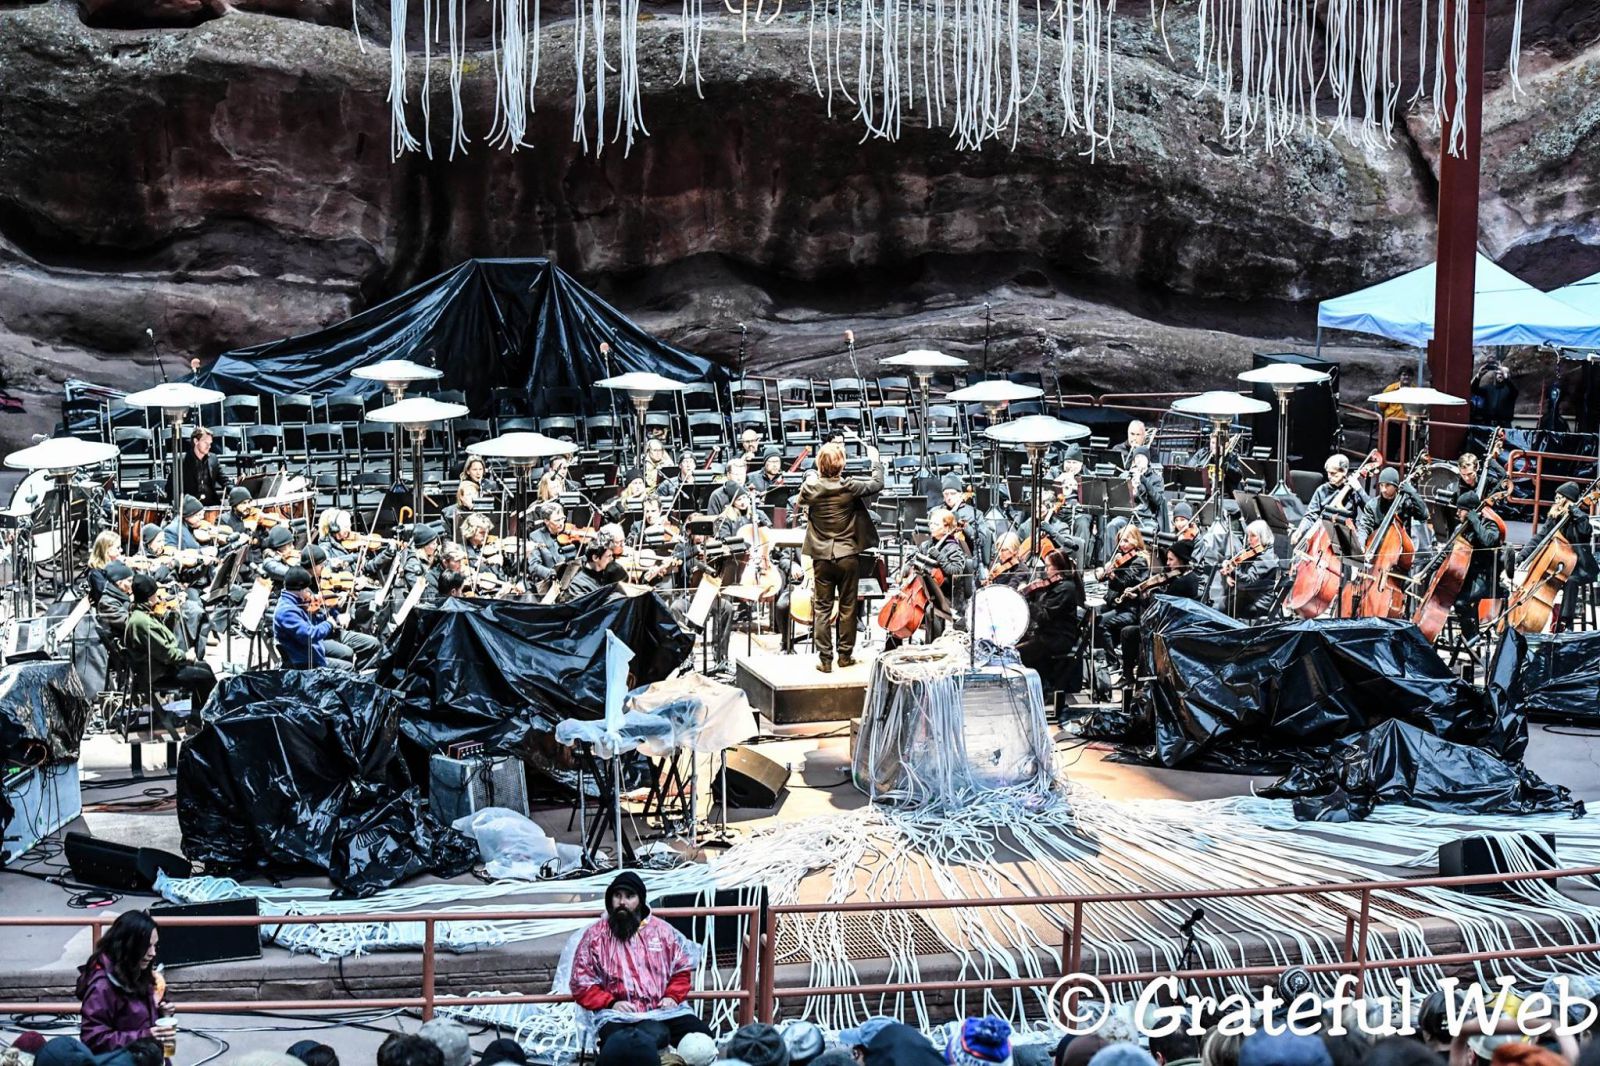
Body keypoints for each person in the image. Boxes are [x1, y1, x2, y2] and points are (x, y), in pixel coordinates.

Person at [568, 872, 712, 1052]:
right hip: (616, 1015)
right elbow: (581, 984)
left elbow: (681, 971)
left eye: (629, 896)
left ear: (640, 901)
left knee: (702, 1039)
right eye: (617, 896)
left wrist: (672, 996)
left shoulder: (663, 932)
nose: (622, 902)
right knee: (620, 1050)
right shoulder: (595, 937)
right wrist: (611, 1003)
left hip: (663, 1010)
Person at [798, 439, 884, 673]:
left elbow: (801, 499)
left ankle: (825, 660)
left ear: (819, 465)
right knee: (848, 607)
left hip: (822, 558)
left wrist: (812, 477)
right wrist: (875, 460)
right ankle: (844, 656)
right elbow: (878, 483)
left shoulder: (811, 488)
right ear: (842, 465)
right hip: (847, 556)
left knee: (822, 608)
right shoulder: (849, 486)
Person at [75, 911, 171, 1054]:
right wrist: (145, 1036)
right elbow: (93, 1039)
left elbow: (138, 1019)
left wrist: (162, 1013)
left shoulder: (138, 969)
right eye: (147, 946)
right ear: (129, 945)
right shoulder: (101, 987)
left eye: (154, 946)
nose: (152, 953)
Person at [123, 574, 216, 707]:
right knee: (205, 678)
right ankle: (199, 720)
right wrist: (186, 656)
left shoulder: (141, 612)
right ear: (149, 597)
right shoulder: (142, 622)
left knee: (205, 667)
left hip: (160, 666)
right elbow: (166, 654)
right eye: (156, 594)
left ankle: (199, 717)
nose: (159, 597)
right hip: (158, 673)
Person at [1516, 481, 1595, 632]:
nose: (1556, 501)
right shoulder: (1555, 517)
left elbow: (1586, 531)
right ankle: (1532, 619)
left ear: (1567, 500)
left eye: (1559, 498)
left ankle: (1564, 623)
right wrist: (1523, 555)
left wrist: (1576, 512)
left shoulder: (1580, 518)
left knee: (1571, 581)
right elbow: (1540, 537)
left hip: (1580, 567)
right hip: (1560, 566)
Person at [1017, 549, 1085, 700]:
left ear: (1058, 568)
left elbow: (1044, 616)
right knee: (1019, 644)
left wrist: (1028, 602)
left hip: (1058, 638)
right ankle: (1039, 686)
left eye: (1048, 566)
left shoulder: (1065, 588)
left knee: (1020, 652)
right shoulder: (1057, 586)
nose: (1045, 570)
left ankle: (1040, 689)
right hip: (1049, 634)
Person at [273, 566, 350, 669]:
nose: (309, 594)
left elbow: (309, 623)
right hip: (306, 661)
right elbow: (310, 635)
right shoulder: (286, 612)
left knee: (347, 654)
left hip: (312, 649)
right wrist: (329, 624)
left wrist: (331, 617)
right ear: (299, 589)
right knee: (348, 667)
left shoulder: (295, 601)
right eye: (306, 590)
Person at [1292, 454, 1368, 544]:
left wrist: (1359, 489)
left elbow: (1369, 510)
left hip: (1346, 536)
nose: (1329, 476)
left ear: (1344, 472)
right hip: (1322, 536)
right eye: (1328, 472)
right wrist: (1300, 530)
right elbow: (1311, 516)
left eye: (1333, 473)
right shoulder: (1322, 490)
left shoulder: (1353, 491)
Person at [1222, 520, 1280, 620]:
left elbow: (1249, 580)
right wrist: (1229, 574)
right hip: (1246, 596)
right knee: (1223, 605)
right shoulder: (1254, 551)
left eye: (1253, 536)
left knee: (1223, 610)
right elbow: (1237, 568)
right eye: (1248, 536)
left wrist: (1233, 571)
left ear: (1263, 536)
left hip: (1258, 602)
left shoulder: (1267, 559)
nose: (1249, 540)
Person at [1356, 467, 1429, 546]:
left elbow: (1423, 516)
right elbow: (1364, 527)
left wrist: (1413, 492)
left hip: (1402, 548)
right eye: (1381, 485)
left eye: (1387, 485)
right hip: (1379, 547)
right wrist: (1361, 544)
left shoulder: (1405, 503)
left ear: (1395, 486)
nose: (1383, 489)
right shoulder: (1372, 505)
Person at [172, 426, 229, 507]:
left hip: (211, 505)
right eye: (206, 443)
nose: (209, 446)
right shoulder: (181, 461)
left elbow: (224, 480)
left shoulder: (213, 459)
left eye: (210, 443)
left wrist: (235, 491)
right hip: (191, 509)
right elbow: (171, 487)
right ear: (196, 441)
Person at [1378, 368, 1413, 460]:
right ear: (1399, 377)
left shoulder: (1415, 391)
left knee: (1408, 448)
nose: (1407, 377)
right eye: (1404, 375)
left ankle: (1405, 469)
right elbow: (1382, 405)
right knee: (1390, 447)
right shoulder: (1391, 389)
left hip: (1408, 424)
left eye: (1409, 375)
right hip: (1393, 423)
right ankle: (1388, 467)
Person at [1470, 362, 1518, 428]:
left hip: (1504, 426)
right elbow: (1473, 389)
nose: (1500, 375)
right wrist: (1478, 377)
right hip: (1488, 424)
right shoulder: (1488, 388)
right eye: (1498, 373)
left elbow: (1514, 390)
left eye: (1502, 374)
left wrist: (1506, 378)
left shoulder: (1510, 390)